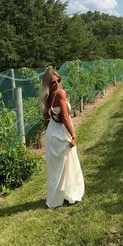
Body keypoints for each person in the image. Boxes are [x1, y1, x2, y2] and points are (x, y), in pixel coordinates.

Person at [40, 68, 85, 208]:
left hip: (51, 133)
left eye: (59, 80)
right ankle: (70, 195)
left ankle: (57, 198)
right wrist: (73, 135)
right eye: (53, 82)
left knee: (56, 168)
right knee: (69, 165)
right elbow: (65, 117)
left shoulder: (46, 97)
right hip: (62, 133)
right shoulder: (60, 93)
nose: (57, 84)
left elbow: (46, 116)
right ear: (48, 84)